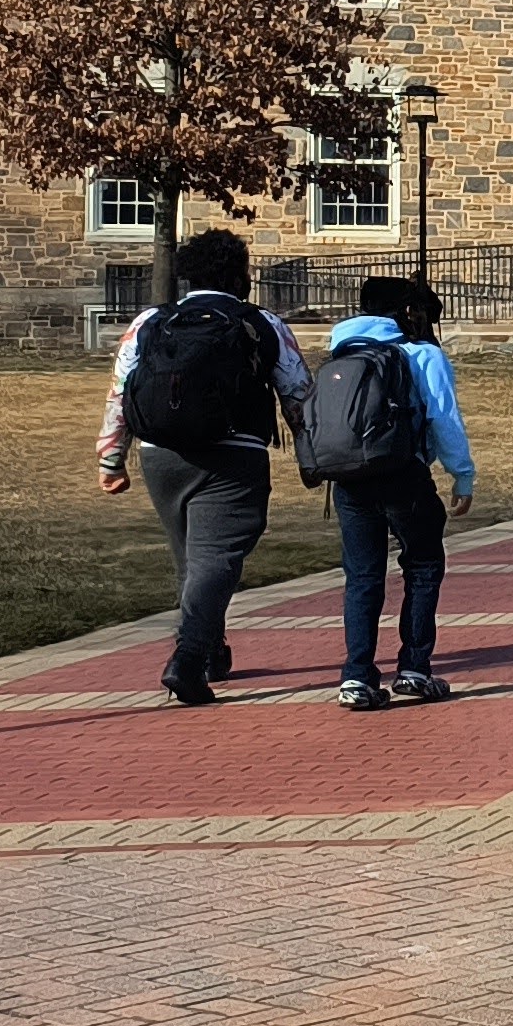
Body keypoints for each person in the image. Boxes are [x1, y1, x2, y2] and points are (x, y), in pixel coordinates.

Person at [94, 229, 311, 706]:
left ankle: (212, 649)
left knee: (190, 560)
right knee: (216, 559)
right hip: (234, 454)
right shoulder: (262, 323)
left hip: (160, 454)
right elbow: (297, 395)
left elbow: (121, 392)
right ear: (240, 276)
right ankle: (188, 658)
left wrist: (112, 456)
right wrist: (311, 456)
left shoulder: (151, 321)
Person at [313, 273, 476, 711]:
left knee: (363, 576)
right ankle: (415, 668)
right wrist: (462, 476)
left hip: (348, 478)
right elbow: (444, 419)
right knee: (423, 565)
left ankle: (357, 675)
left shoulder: (340, 352)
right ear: (406, 312)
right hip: (404, 474)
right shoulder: (421, 354)